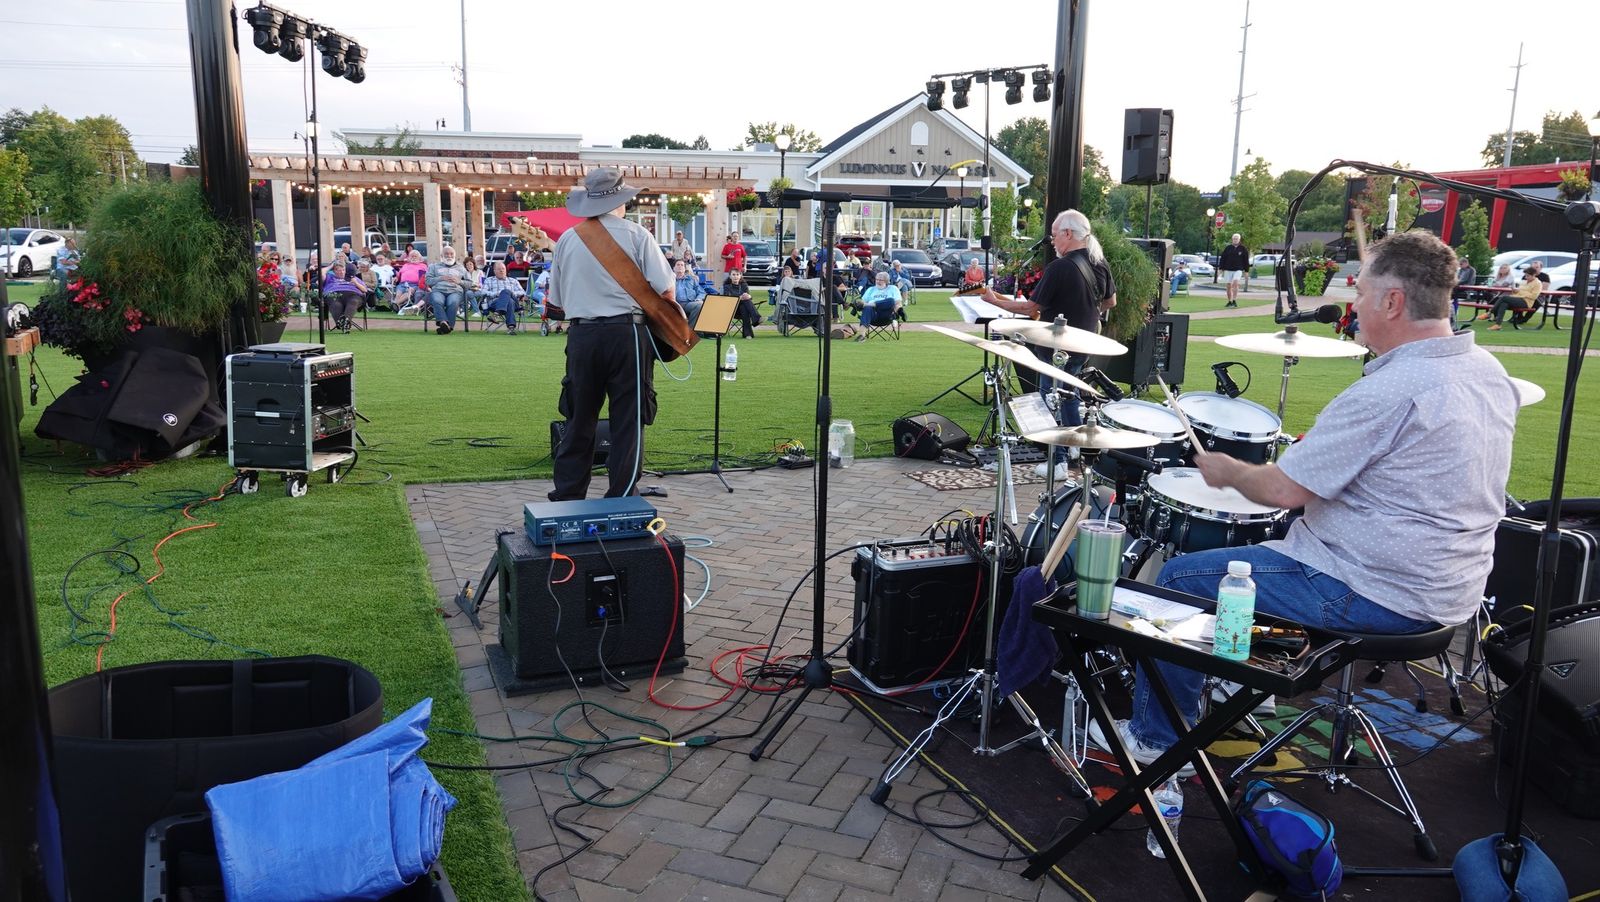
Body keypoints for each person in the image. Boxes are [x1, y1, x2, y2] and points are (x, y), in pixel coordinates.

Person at [1088, 230, 1518, 772]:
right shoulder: (1486, 371)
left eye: (1360, 293)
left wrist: (1227, 470)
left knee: (1180, 580)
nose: (1353, 307)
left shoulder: (1393, 389)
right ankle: (1233, 680)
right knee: (1261, 552)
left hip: (1373, 588)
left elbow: (1282, 491)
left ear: (1393, 301)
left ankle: (1157, 738)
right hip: (1450, 590)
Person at [548, 168, 677, 501]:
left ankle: (567, 497)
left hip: (582, 336)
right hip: (627, 334)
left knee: (579, 420)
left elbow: (556, 301)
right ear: (622, 200)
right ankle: (621, 497)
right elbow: (666, 292)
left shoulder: (567, 239)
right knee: (628, 421)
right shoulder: (638, 235)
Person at [981, 209, 1106, 480]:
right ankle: (1076, 449)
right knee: (1069, 396)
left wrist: (994, 301)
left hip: (1056, 349)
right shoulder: (1098, 262)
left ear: (1068, 234)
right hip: (1083, 345)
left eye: (1054, 235)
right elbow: (1110, 301)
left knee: (1050, 402)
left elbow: (1031, 308)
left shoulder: (1060, 267)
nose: (1052, 241)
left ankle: (1058, 462)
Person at [426, 246, 469, 333]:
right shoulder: (434, 267)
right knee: (437, 300)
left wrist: (459, 281)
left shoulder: (461, 268)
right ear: (441, 256)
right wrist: (440, 278)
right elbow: (428, 281)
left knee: (453, 302)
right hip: (438, 290)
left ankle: (444, 324)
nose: (449, 256)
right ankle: (445, 324)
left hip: (455, 291)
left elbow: (469, 283)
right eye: (446, 254)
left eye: (451, 254)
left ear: (455, 255)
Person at [481, 261, 528, 334]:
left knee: (506, 292)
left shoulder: (513, 280)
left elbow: (523, 292)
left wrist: (510, 293)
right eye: (499, 269)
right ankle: (511, 327)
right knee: (509, 301)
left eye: (503, 269)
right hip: (495, 303)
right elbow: (483, 292)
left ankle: (496, 314)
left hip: (515, 303)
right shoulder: (489, 280)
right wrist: (496, 294)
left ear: (506, 270)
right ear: (494, 271)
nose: (501, 270)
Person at [853, 271, 901, 341]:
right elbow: (862, 302)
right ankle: (861, 336)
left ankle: (870, 304)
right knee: (867, 308)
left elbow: (898, 302)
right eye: (877, 279)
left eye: (881, 280)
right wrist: (859, 303)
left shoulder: (893, 288)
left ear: (886, 281)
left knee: (891, 300)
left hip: (887, 315)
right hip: (872, 315)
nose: (878, 281)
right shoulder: (870, 289)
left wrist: (896, 314)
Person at [321, 261, 367, 333]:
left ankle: (344, 323)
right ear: (334, 271)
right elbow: (321, 273)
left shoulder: (354, 278)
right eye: (339, 270)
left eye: (343, 270)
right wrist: (331, 266)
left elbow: (365, 290)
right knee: (336, 304)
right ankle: (344, 324)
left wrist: (356, 283)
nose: (342, 272)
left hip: (353, 294)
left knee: (353, 301)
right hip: (334, 294)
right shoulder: (329, 277)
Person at [722, 269, 759, 339]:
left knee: (744, 306)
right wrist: (740, 298)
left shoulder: (744, 285)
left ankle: (748, 334)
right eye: (733, 275)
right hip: (732, 310)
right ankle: (756, 320)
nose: (735, 276)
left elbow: (748, 297)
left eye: (737, 274)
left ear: (740, 276)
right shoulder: (727, 286)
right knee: (745, 302)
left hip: (743, 309)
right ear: (730, 276)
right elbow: (727, 298)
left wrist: (749, 296)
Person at [673, 259, 707, 325]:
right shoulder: (670, 280)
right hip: (675, 304)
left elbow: (701, 292)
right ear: (674, 268)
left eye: (682, 265)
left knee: (700, 305)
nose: (680, 266)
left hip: (688, 303)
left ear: (684, 269)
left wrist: (698, 299)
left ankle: (690, 329)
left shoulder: (691, 279)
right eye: (678, 265)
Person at [1219, 233, 1248, 307]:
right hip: (1228, 269)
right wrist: (1221, 268)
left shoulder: (1243, 249)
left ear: (1239, 240)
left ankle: (1234, 300)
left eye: (1237, 239)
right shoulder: (1228, 248)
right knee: (1228, 285)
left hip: (1238, 269)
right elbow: (1223, 258)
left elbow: (1246, 260)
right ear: (1232, 239)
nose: (1235, 240)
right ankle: (1229, 301)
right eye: (1234, 238)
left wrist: (1246, 271)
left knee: (1235, 282)